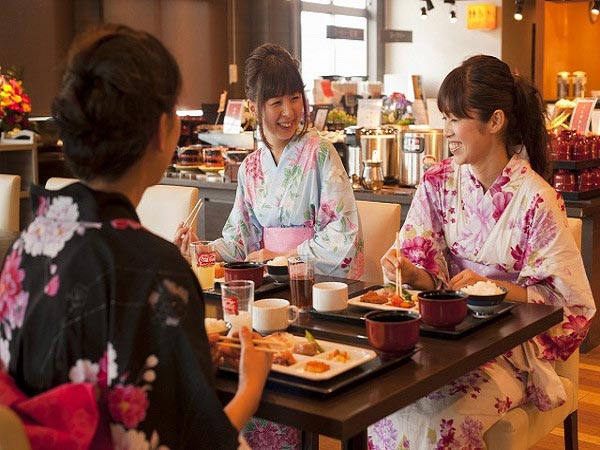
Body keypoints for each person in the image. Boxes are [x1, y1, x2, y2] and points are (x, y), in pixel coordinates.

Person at [0, 24, 270, 450]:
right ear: (162, 131)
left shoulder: (26, 247)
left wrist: (185, 343)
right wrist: (250, 390)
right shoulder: (155, 270)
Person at [371, 55, 595, 449]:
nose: (447, 131)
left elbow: (572, 308)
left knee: (440, 425)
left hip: (506, 350)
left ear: (494, 122)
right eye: (445, 118)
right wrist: (408, 271)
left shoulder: (537, 200)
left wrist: (491, 287)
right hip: (443, 343)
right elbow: (430, 275)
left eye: (456, 119)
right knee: (383, 409)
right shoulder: (437, 183)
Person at [176, 43, 364, 279]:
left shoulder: (320, 153)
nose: (289, 112)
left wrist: (283, 258)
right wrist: (204, 251)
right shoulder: (250, 168)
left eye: (295, 98)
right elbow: (241, 243)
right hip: (268, 285)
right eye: (276, 102)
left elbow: (343, 235)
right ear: (254, 107)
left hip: (312, 284)